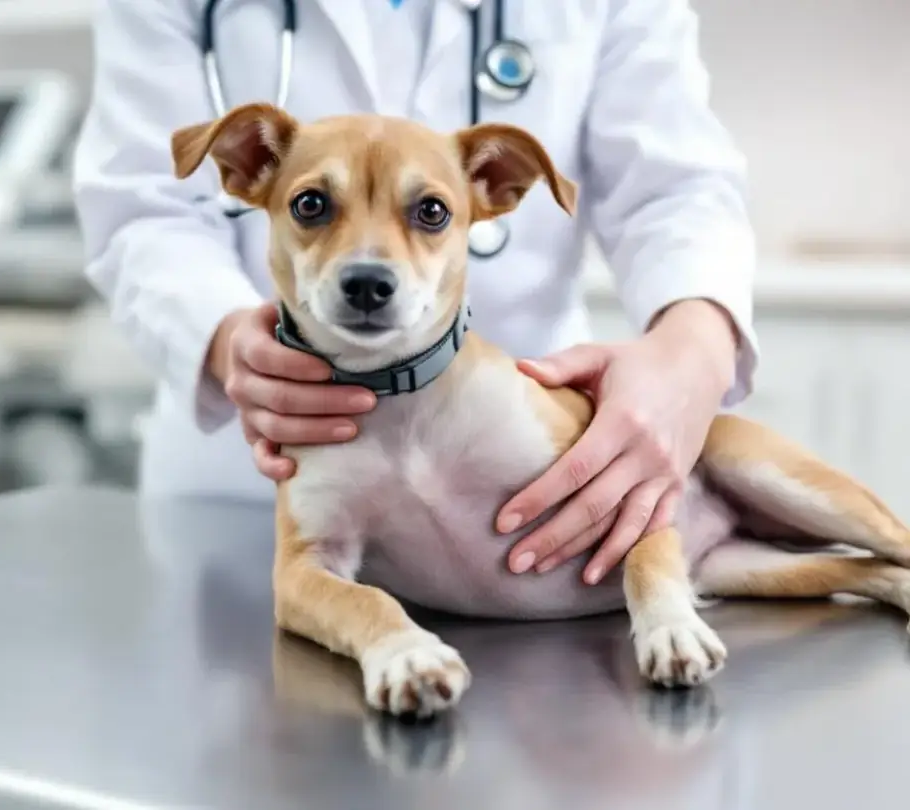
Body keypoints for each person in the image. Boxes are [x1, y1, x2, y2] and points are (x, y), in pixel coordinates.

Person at [73, 0, 758, 585]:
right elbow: (141, 202)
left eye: (428, 213)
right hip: (252, 488)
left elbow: (676, 187)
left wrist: (692, 353)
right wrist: (224, 341)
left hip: (529, 467)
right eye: (315, 205)